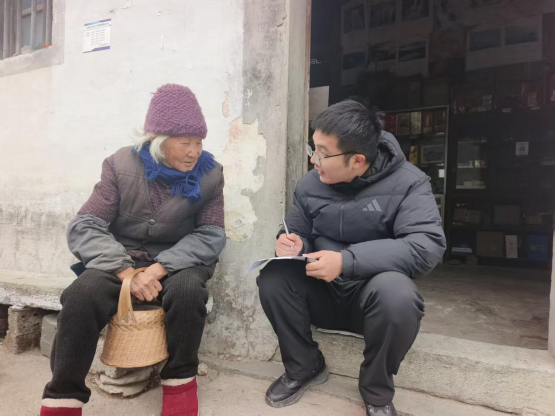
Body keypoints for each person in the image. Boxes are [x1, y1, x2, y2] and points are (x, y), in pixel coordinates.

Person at [40, 84, 226, 417]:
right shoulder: (119, 164)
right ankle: (62, 398)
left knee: (188, 294)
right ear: (158, 140)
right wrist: (126, 272)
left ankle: (180, 384)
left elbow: (210, 234)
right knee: (81, 296)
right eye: (185, 143)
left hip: (178, 263)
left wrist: (158, 268)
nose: (194, 152)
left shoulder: (210, 174)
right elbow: (86, 225)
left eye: (199, 142)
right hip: (120, 260)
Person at [258, 100, 446, 416]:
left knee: (400, 295)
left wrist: (346, 261)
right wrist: (292, 243)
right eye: (313, 149)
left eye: (322, 153)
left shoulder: (409, 184)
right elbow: (297, 228)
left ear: (357, 160)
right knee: (273, 277)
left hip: (371, 300)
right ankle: (304, 366)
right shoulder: (310, 183)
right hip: (322, 293)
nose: (313, 160)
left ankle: (376, 391)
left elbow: (425, 246)